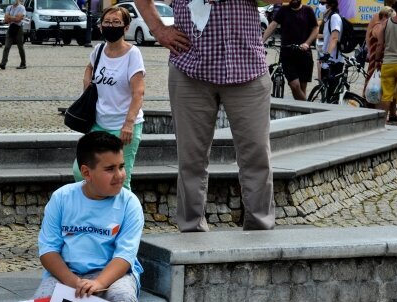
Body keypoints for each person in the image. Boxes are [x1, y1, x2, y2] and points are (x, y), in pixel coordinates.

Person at [133, 0, 275, 232]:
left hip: (247, 66)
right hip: (191, 68)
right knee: (191, 159)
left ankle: (260, 230)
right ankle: (191, 230)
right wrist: (158, 29)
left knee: (257, 156)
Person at [36, 131, 147, 302]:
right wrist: (73, 281)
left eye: (121, 166)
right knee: (44, 301)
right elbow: (48, 251)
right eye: (110, 169)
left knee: (123, 298)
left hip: (113, 273)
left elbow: (124, 256)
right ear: (86, 171)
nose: (119, 175)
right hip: (68, 271)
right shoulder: (62, 198)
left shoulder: (129, 203)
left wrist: (99, 284)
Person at [71, 6, 144, 190]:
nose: (111, 26)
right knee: (81, 171)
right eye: (107, 22)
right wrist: (86, 87)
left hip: (124, 127)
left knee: (120, 180)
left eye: (116, 22)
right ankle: (95, 210)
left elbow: (138, 92)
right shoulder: (99, 49)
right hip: (98, 123)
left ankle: (125, 217)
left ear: (126, 27)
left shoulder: (133, 54)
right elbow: (89, 67)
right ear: (101, 26)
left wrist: (128, 124)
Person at [261, 0, 318, 100]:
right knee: (294, 86)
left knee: (302, 88)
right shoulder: (283, 10)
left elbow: (315, 29)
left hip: (304, 55)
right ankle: (309, 107)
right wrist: (261, 41)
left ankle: (302, 113)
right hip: (288, 56)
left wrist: (307, 43)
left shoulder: (308, 11)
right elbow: (272, 25)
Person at [0, 0, 26, 70]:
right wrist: (14, 18)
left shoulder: (22, 8)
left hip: (18, 28)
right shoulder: (9, 7)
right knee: (6, 46)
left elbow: (18, 19)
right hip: (11, 28)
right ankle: (3, 63)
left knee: (20, 46)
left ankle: (23, 63)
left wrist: (10, 17)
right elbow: (6, 20)